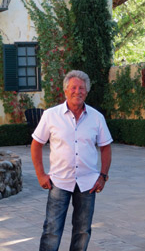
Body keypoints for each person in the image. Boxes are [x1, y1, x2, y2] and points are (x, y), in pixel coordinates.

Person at [31, 70, 113, 251]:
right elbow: (36, 145)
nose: (78, 91)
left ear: (87, 91)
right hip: (58, 182)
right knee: (51, 230)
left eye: (81, 88)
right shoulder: (51, 115)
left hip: (87, 183)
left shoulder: (96, 118)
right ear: (66, 91)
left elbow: (106, 147)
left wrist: (103, 176)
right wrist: (40, 175)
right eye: (73, 87)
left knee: (83, 231)